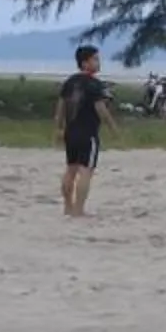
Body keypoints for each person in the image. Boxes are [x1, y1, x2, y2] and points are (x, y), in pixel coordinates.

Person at [54, 43, 118, 216]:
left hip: (71, 132)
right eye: (95, 59)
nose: (98, 63)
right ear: (85, 63)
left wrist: (59, 128)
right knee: (85, 172)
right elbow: (101, 109)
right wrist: (112, 127)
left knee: (70, 169)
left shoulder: (70, 82)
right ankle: (79, 209)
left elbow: (60, 107)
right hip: (88, 134)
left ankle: (67, 206)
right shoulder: (94, 85)